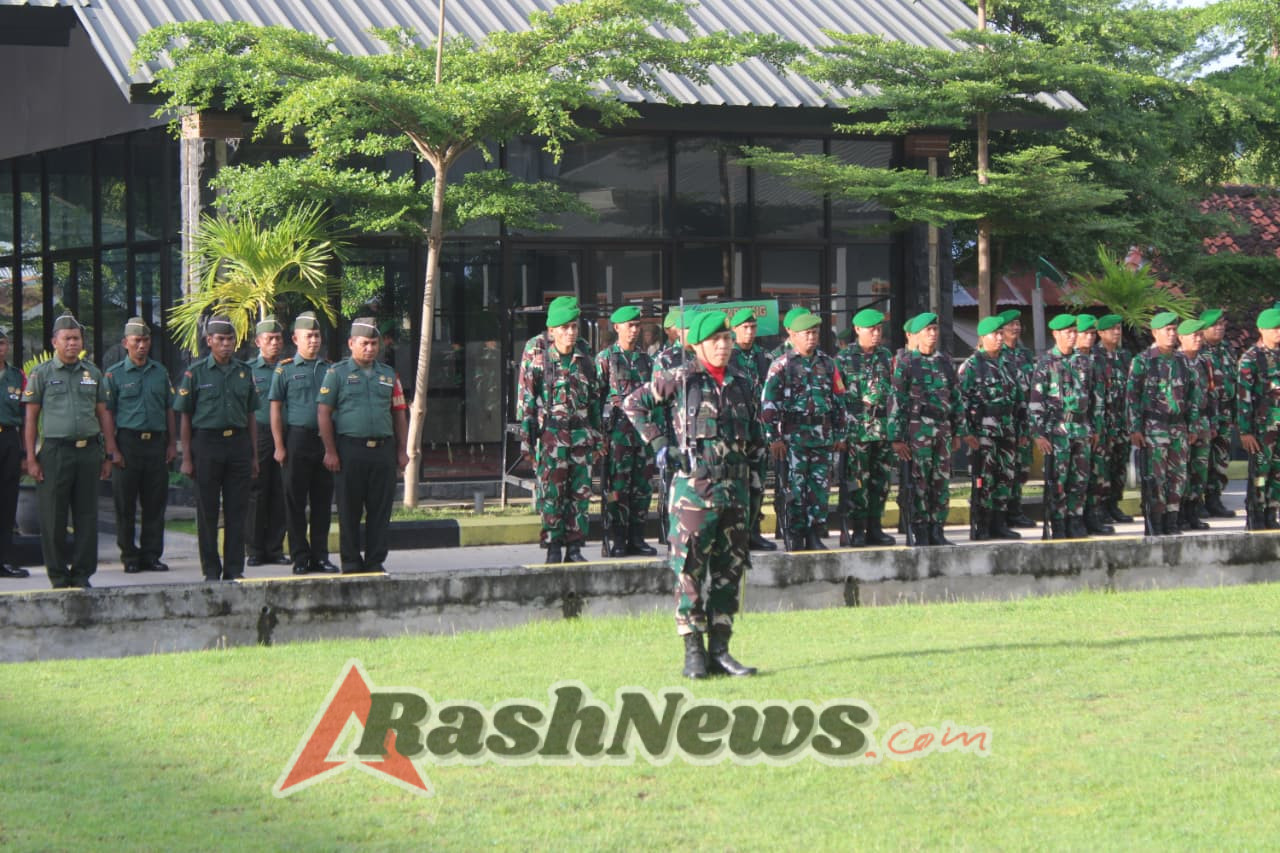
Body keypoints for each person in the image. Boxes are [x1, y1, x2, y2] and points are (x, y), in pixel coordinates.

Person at [622, 310, 761, 679]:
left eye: (727, 339)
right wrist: (660, 443)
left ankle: (721, 649)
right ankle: (693, 652)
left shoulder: (742, 381)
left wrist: (757, 489)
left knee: (729, 576)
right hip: (694, 495)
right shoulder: (681, 378)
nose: (723, 346)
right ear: (697, 345)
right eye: (715, 340)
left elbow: (756, 438)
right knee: (690, 574)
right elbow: (633, 404)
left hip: (735, 494)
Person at [23, 313, 120, 589]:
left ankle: (81, 574)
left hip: (88, 452)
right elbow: (30, 419)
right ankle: (57, 574)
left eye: (76, 338)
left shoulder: (93, 373)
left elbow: (104, 415)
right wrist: (30, 458)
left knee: (87, 515)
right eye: (66, 338)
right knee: (53, 517)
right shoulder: (41, 374)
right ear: (55, 341)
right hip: (55, 452)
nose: (72, 344)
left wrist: (108, 453)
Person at [317, 317, 410, 574]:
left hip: (382, 450)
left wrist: (402, 451)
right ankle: (350, 560)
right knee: (349, 508)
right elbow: (324, 413)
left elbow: (399, 414)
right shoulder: (336, 374)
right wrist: (330, 451)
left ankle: (375, 560)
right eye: (364, 343)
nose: (370, 348)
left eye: (373, 343)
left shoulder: (389, 375)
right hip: (350, 450)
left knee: (380, 509)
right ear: (351, 344)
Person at [174, 315, 260, 581]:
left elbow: (251, 417)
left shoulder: (244, 371)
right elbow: (185, 418)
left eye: (230, 339)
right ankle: (211, 569)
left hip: (237, 444)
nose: (226, 344)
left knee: (237, 510)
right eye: (220, 339)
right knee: (207, 511)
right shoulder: (195, 373)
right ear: (209, 341)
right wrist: (187, 457)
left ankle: (234, 569)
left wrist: (254, 456)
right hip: (207, 444)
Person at [516, 296, 601, 564]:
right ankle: (553, 546)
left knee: (580, 495)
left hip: (581, 436)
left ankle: (574, 547)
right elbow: (527, 401)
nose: (570, 332)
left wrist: (599, 440)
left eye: (574, 326)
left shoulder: (585, 355)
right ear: (552, 330)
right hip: (551, 435)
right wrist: (527, 444)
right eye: (564, 328)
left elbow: (595, 402)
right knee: (551, 494)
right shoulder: (538, 354)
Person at [761, 309, 846, 551]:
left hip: (821, 436)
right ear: (794, 336)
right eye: (807, 333)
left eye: (815, 333)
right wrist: (774, 437)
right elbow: (769, 404)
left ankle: (814, 533)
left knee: (819, 487)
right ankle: (795, 533)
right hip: (793, 438)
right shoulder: (782, 365)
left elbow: (839, 399)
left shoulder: (828, 363)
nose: (812, 337)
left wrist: (840, 434)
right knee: (796, 487)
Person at [889, 312, 971, 546]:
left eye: (935, 330)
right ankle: (920, 528)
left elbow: (955, 397)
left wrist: (958, 431)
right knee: (919, 482)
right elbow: (897, 400)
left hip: (942, 430)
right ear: (916, 335)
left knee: (941, 481)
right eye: (928, 330)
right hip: (917, 431)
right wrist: (896, 437)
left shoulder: (944, 361)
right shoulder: (906, 363)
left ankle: (937, 528)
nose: (933, 334)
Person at [104, 317, 175, 574]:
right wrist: (112, 448)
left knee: (155, 503)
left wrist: (171, 443)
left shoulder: (160, 372)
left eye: (146, 340)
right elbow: (108, 414)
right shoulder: (115, 375)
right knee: (125, 504)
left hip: (155, 443)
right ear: (126, 343)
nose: (142, 345)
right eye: (137, 341)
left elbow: (169, 408)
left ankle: (151, 554)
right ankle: (129, 555)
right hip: (127, 443)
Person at [270, 311, 337, 575]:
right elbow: (275, 409)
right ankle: (300, 556)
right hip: (297, 439)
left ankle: (320, 556)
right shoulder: (285, 369)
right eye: (308, 336)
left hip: (324, 442)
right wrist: (279, 445)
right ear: (295, 338)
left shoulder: (330, 369)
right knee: (295, 501)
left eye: (317, 336)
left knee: (322, 501)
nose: (314, 341)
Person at [1126, 311, 1201, 536]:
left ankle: (1172, 520)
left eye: (1173, 329)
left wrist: (1193, 425)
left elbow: (1193, 396)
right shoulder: (1142, 361)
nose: (1171, 334)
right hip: (1153, 427)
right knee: (1155, 478)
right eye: (1166, 330)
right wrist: (1134, 428)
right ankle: (1156, 521)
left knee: (1178, 477)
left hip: (1178, 427)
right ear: (1155, 333)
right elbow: (1132, 397)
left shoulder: (1183, 362)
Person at [595, 305, 657, 557]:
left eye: (637, 325)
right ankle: (618, 538)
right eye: (628, 325)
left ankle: (637, 538)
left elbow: (655, 398)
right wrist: (600, 436)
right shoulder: (606, 358)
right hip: (618, 434)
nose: (634, 330)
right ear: (617, 327)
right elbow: (596, 399)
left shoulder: (647, 360)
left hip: (642, 435)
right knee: (618, 488)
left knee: (642, 488)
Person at [1029, 314, 1095, 539]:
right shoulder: (1045, 363)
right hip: (1057, 431)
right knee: (1058, 480)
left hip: (1081, 429)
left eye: (1074, 331)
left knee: (1080, 479)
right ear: (1056, 334)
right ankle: (1058, 522)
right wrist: (1038, 434)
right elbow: (1036, 402)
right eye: (1068, 332)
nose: (1072, 336)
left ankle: (1075, 519)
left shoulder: (1084, 361)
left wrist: (1094, 427)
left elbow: (1093, 398)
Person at [834, 307, 896, 546]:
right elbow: (837, 398)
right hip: (857, 430)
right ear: (858, 330)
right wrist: (842, 432)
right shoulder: (843, 358)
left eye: (880, 329)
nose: (877, 333)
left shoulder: (886, 356)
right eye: (872, 329)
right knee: (858, 483)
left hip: (882, 428)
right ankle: (857, 528)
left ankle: (875, 527)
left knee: (881, 482)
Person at [959, 314, 1022, 540]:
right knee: (984, 479)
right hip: (983, 432)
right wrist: (966, 433)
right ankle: (982, 524)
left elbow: (1019, 400)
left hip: (1006, 429)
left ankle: (999, 522)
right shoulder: (972, 365)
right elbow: (961, 402)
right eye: (993, 334)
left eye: (999, 334)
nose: (998, 338)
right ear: (982, 337)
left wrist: (1022, 430)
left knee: (1005, 477)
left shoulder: (1009, 363)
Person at [728, 308, 776, 551]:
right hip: (735, 431)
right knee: (735, 483)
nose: (749, 332)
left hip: (758, 431)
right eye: (745, 327)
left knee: (757, 484)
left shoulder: (765, 358)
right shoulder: (727, 356)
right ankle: (735, 534)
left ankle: (753, 531)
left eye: (753, 327)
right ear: (734, 330)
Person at [245, 316, 290, 567]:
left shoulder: (288, 368)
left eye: (278, 339)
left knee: (281, 492)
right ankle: (254, 549)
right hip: (260, 434)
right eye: (269, 339)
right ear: (258, 342)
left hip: (285, 434)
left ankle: (275, 548)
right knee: (257, 492)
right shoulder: (249, 370)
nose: (274, 343)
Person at [1236, 308, 1280, 529]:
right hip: (1262, 428)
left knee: (1277, 473)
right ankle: (1256, 513)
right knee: (1260, 473)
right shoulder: (1251, 358)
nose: (1279, 333)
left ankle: (1272, 511)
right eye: (1275, 329)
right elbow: (1243, 397)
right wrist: (1245, 431)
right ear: (1262, 330)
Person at [1070, 314, 1114, 535]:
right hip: (1076, 427)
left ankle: (1092, 515)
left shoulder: (1096, 359)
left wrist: (1099, 427)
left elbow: (1100, 397)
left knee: (1097, 473)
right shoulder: (1071, 360)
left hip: (1096, 427)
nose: (1088, 337)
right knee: (1078, 477)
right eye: (1084, 333)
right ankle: (1075, 519)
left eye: (1091, 333)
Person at [997, 309, 1038, 528]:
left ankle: (1015, 509)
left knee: (1021, 469)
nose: (1016, 328)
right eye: (1011, 324)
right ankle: (1001, 514)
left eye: (1018, 324)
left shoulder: (1024, 354)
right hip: (1003, 422)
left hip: (1023, 421)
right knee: (1004, 471)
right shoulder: (997, 354)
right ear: (1001, 330)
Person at [1095, 314, 1135, 523]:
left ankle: (1114, 504)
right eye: (1112, 329)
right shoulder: (1094, 357)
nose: (1117, 332)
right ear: (1101, 333)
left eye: (1118, 328)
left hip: (1122, 421)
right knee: (1103, 466)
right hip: (1104, 422)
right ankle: (1100, 507)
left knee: (1120, 465)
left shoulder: (1125, 357)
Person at [1199, 308, 1237, 518]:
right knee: (1200, 461)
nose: (1220, 328)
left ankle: (1215, 499)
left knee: (1221, 461)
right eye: (1215, 325)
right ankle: (1196, 502)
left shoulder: (1227, 350)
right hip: (1204, 417)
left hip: (1224, 416)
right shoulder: (1196, 350)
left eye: (1222, 324)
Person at [1176, 318, 1213, 530]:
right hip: (1182, 426)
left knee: (1200, 471)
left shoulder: (1202, 362)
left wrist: (1212, 422)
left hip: (1203, 424)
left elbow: (1210, 393)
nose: (1198, 339)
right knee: (1182, 472)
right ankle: (1178, 512)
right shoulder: (1176, 362)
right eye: (1194, 335)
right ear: (1182, 338)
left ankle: (1193, 511)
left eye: (1200, 335)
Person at [0, 329, 28, 579]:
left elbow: (25, 415)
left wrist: (25, 453)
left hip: (8, 438)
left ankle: (5, 560)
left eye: (1, 343)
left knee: (8, 502)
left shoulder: (17, 376)